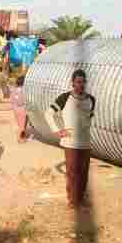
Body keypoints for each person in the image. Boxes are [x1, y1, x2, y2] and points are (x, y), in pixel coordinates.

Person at [46, 68, 96, 209]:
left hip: (85, 142)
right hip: (70, 143)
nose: (81, 85)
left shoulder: (91, 99)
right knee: (72, 173)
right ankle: (73, 201)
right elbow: (48, 113)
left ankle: (80, 198)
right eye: (78, 82)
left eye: (83, 82)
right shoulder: (65, 98)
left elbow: (89, 118)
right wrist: (57, 131)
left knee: (84, 173)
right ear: (72, 83)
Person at [10, 74, 29, 142]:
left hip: (16, 109)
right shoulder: (23, 90)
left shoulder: (14, 90)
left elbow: (12, 100)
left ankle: (23, 136)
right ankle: (20, 138)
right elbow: (22, 101)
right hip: (22, 109)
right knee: (22, 126)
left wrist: (14, 107)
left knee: (21, 124)